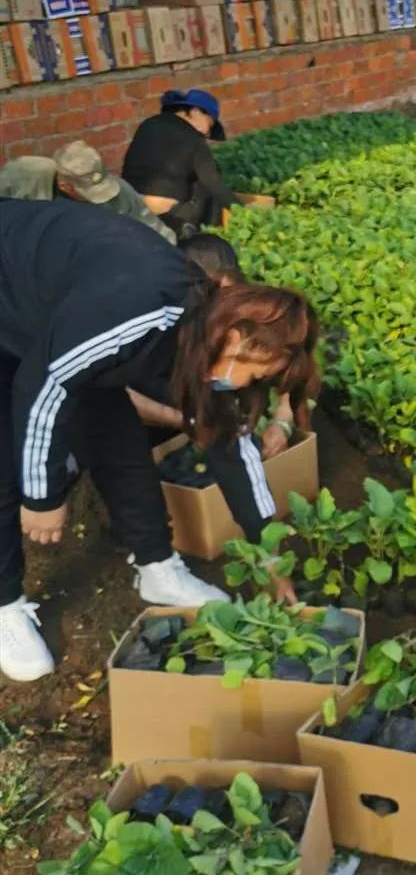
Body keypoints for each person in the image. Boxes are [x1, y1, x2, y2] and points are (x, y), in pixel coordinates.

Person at [0, 199, 318, 683]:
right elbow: (45, 385)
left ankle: (156, 566)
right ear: (235, 337)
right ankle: (5, 605)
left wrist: (269, 553)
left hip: (58, 315)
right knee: (7, 459)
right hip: (10, 292)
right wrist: (41, 496)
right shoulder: (141, 308)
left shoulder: (197, 336)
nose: (245, 384)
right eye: (254, 372)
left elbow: (230, 445)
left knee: (117, 434)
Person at [128, 233, 297, 461]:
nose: (220, 309)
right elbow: (113, 395)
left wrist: (282, 421)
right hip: (160, 423)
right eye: (210, 296)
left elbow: (292, 367)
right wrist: (184, 421)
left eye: (228, 296)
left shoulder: (248, 312)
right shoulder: (152, 325)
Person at [0, 141, 175, 244]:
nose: (99, 198)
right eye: (89, 193)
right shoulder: (23, 177)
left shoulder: (120, 193)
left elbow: (155, 230)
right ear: (65, 186)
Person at [122, 89, 240, 238]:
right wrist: (243, 212)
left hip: (132, 210)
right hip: (170, 217)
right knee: (207, 189)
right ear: (195, 111)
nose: (208, 134)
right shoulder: (193, 138)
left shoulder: (148, 124)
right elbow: (214, 184)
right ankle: (205, 239)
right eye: (210, 124)